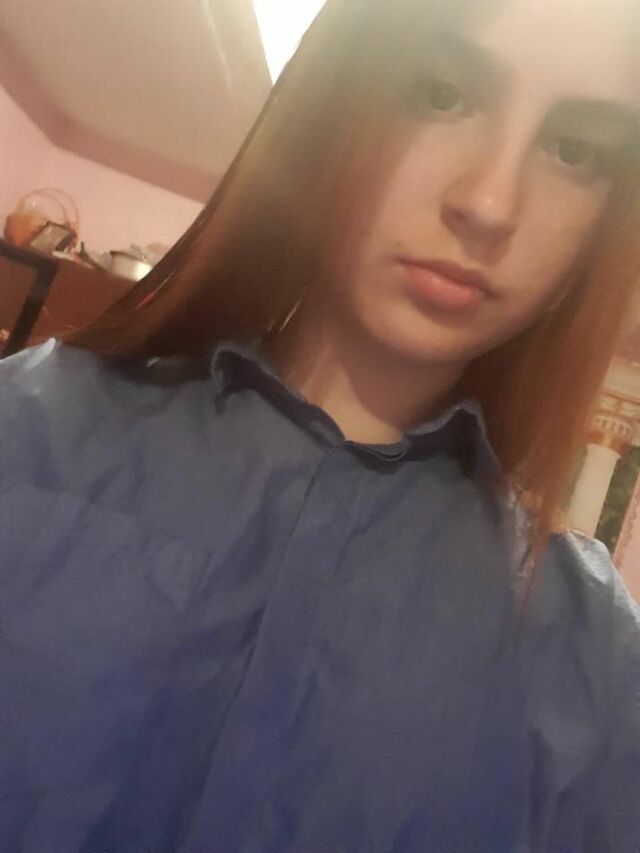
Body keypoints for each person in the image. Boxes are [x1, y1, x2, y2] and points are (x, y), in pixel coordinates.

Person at [1, 0, 639, 849]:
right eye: (440, 92)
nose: (490, 203)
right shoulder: (29, 430)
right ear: (336, 95)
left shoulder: (592, 652)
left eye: (576, 150)